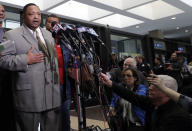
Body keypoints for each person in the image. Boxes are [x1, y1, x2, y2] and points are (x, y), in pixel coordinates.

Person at [0, 3, 61, 131]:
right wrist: (25, 59)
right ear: (23, 16)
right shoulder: (11, 35)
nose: (36, 17)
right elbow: (2, 59)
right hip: (28, 97)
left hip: (51, 95)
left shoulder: (48, 35)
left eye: (38, 14)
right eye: (31, 14)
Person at [100, 73, 192, 131]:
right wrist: (111, 83)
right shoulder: (154, 103)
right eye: (150, 85)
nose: (150, 88)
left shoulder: (177, 117)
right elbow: (131, 96)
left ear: (168, 91)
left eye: (155, 86)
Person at [45, 14, 72, 131]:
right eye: (50, 22)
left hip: (64, 86)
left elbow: (71, 61)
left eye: (55, 23)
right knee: (50, 119)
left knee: (65, 118)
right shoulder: (41, 40)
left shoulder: (65, 42)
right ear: (45, 24)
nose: (52, 25)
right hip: (48, 86)